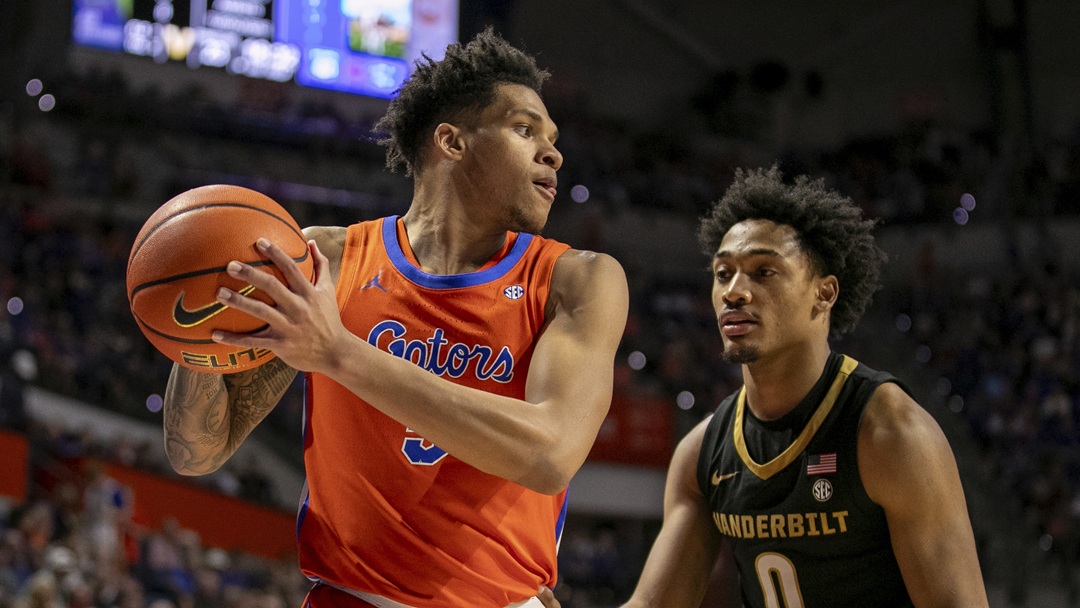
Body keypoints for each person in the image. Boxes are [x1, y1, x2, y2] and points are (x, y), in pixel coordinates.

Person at [161, 29, 628, 608]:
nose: (552, 153)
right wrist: (198, 319)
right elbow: (195, 451)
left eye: (552, 139)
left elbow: (550, 453)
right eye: (525, 129)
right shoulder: (326, 263)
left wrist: (339, 352)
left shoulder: (577, 280)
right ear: (451, 142)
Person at [617, 167, 988, 607]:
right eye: (723, 273)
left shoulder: (891, 434)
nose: (735, 291)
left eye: (764, 272)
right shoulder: (702, 453)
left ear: (825, 293)